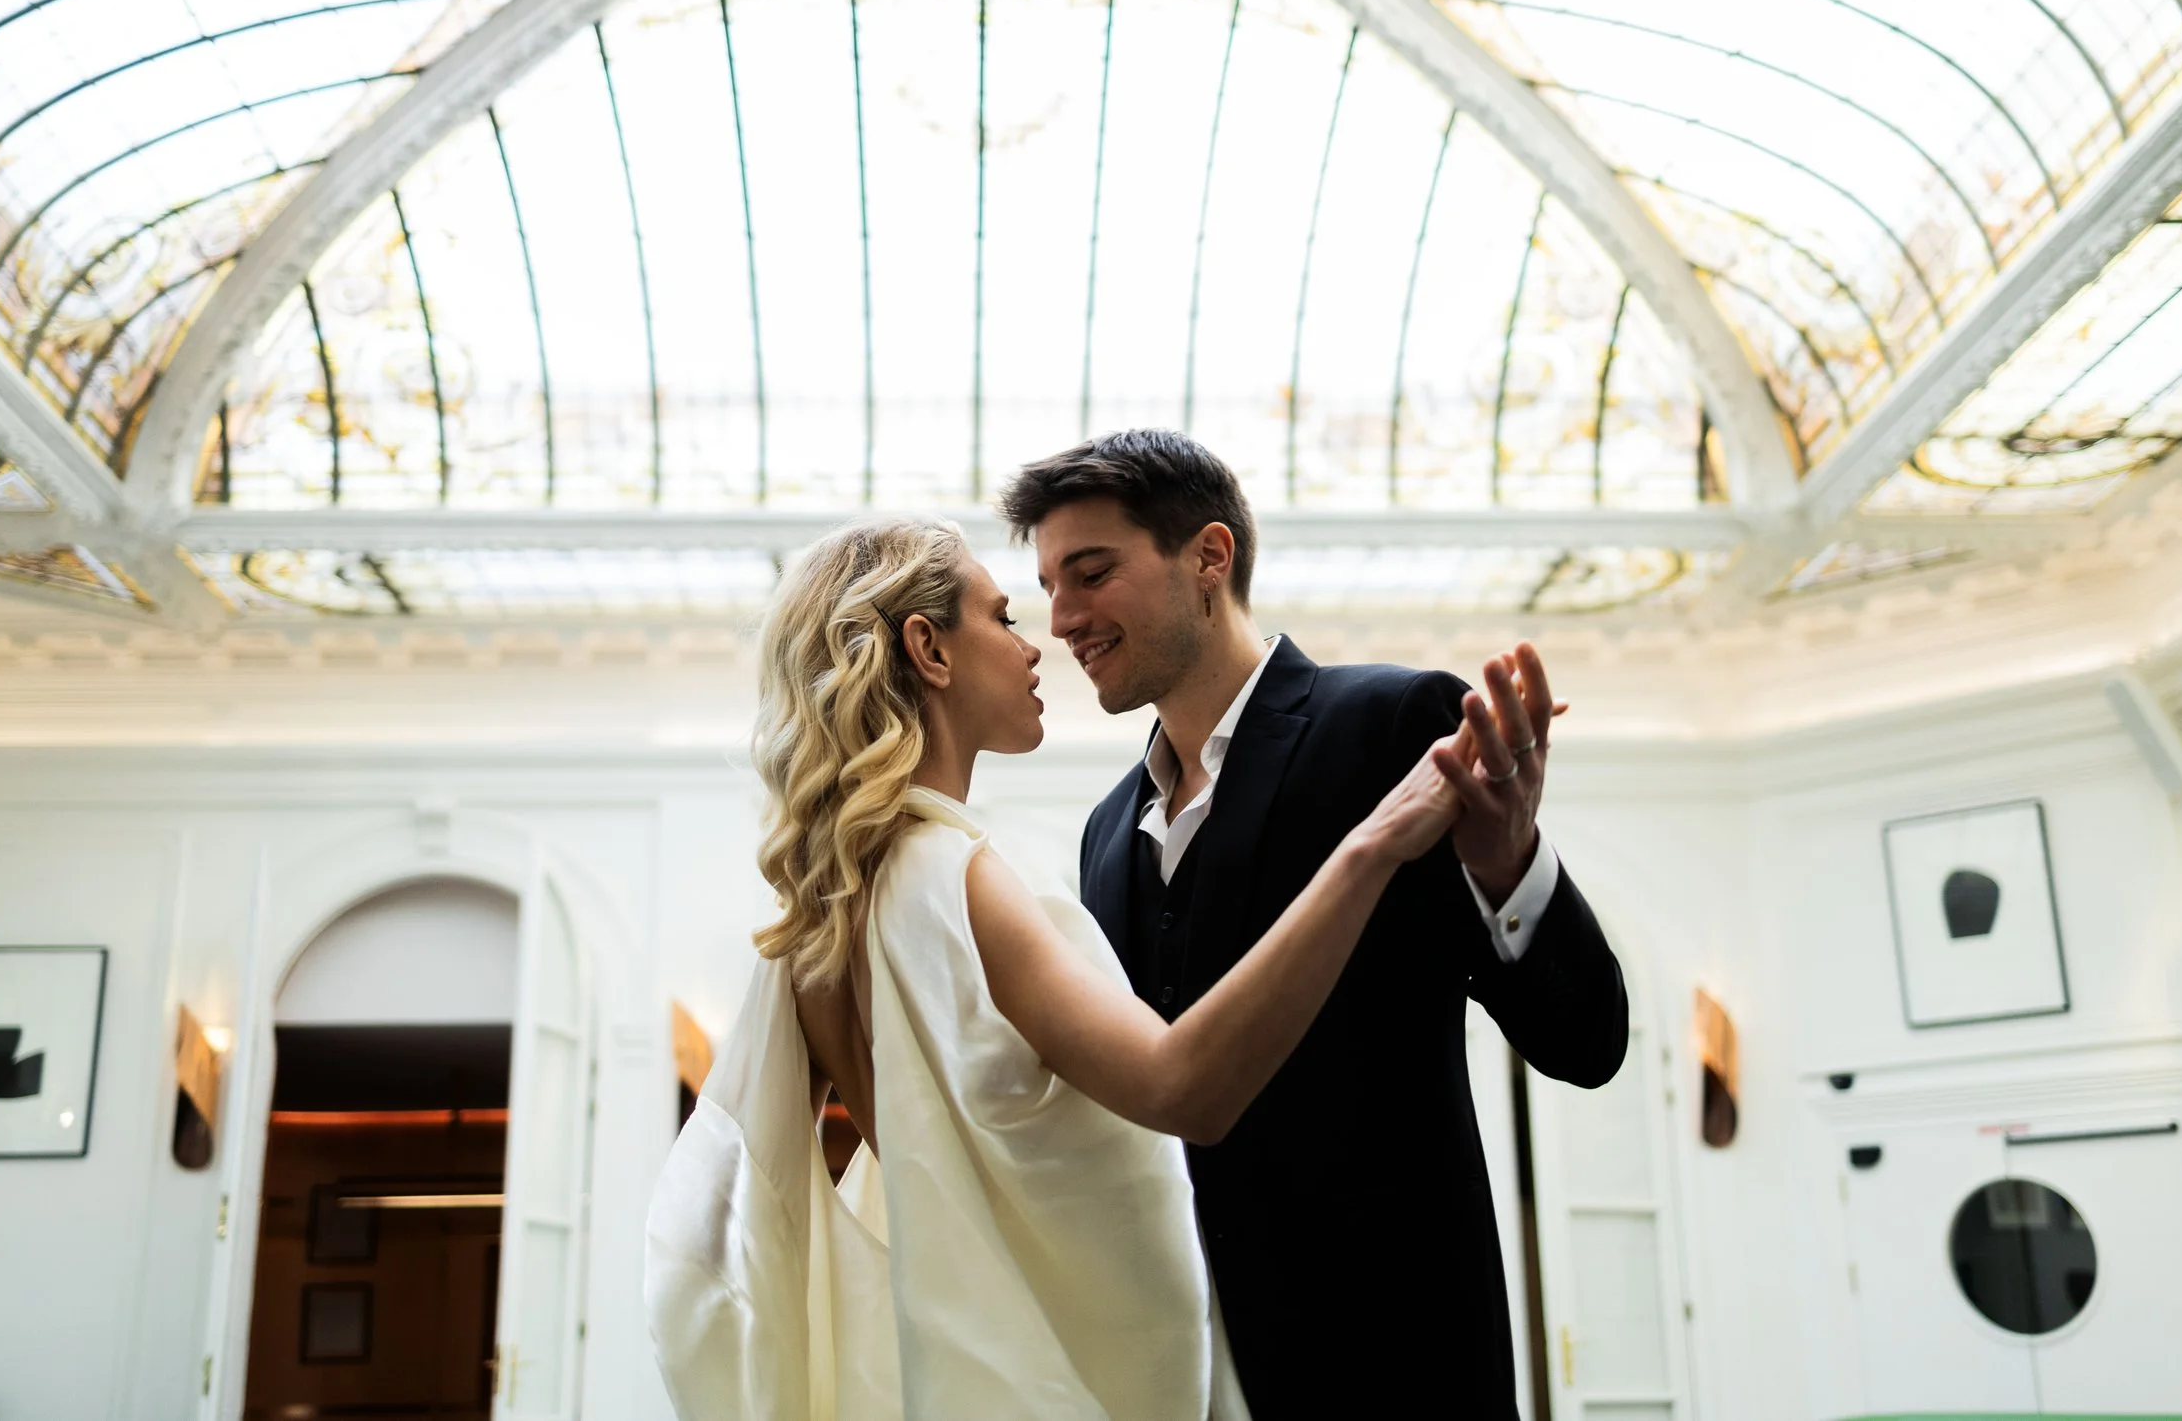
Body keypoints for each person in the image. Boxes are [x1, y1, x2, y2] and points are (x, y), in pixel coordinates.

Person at [644, 517, 1536, 1418]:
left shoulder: (821, 924)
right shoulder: (954, 876)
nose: (1039, 645)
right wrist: (1373, 844)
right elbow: (1181, 1085)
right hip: (1073, 1383)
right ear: (929, 649)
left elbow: (786, 1212)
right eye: (1002, 619)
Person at [996, 429, 1630, 1417]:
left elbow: (1586, 1041)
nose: (1062, 618)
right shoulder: (1105, 835)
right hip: (1178, 1370)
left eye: (1090, 572)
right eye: (1045, 586)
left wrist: (1506, 861)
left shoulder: (1389, 725)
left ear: (1209, 556)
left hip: (1397, 1363)